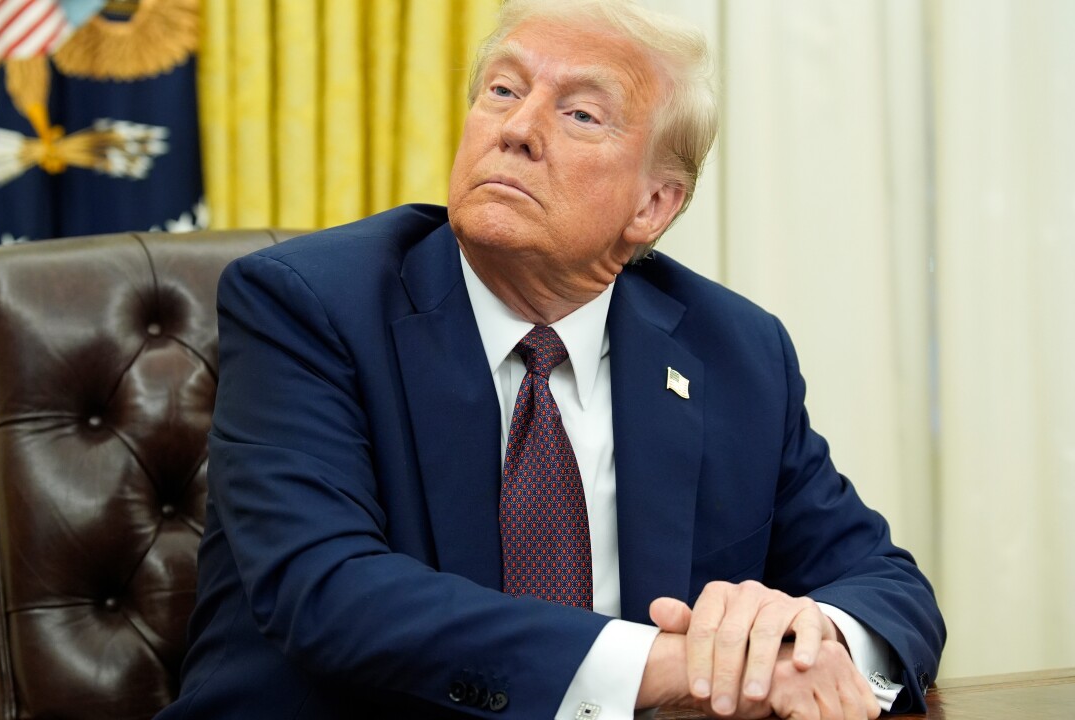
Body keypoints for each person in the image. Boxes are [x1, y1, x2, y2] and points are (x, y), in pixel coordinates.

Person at [157, 1, 945, 718]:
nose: (516, 128)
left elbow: (888, 585)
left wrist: (807, 641)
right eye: (502, 90)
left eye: (580, 113)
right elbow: (327, 592)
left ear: (653, 205)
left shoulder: (735, 351)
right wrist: (682, 666)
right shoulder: (310, 304)